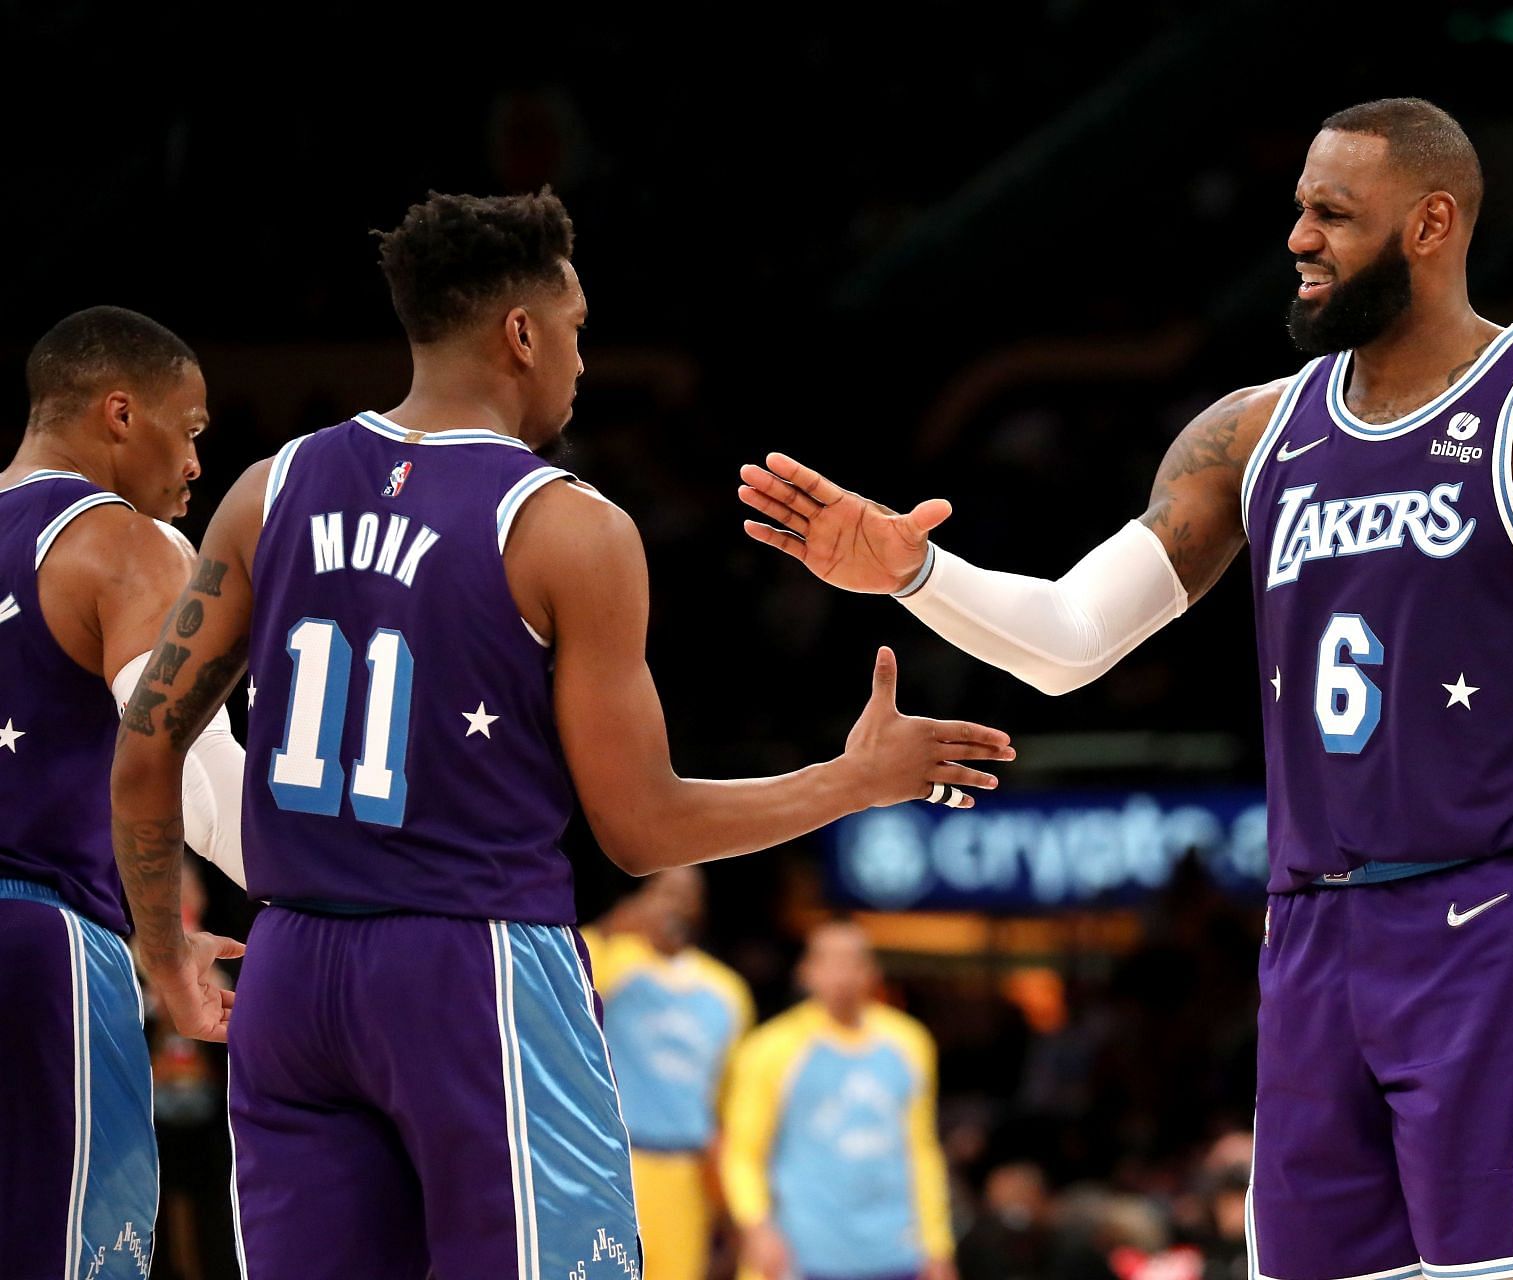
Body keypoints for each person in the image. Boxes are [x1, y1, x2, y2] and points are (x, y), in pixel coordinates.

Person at [738, 97, 1513, 1279]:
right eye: (1298, 206)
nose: (1297, 235)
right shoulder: (1253, 432)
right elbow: (1071, 635)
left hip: (1494, 919)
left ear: (1432, 223)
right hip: (1309, 927)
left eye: (1333, 213)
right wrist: (915, 572)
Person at [109, 188, 1015, 1279]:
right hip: (472, 967)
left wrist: (162, 953)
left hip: (294, 970)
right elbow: (641, 827)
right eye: (577, 329)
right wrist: (850, 778)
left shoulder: (268, 488)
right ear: (522, 333)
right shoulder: (566, 525)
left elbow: (148, 746)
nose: (584, 362)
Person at [0, 306, 245, 1277]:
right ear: (119, 412)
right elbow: (187, 778)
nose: (193, 464)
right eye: (188, 430)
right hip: (41, 943)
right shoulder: (130, 544)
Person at [722, 922, 955, 1280]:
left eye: (853, 963)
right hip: (802, 1253)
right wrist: (757, 1226)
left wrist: (937, 1247)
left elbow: (920, 1150)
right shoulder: (769, 1049)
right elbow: (742, 1151)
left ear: (872, 973)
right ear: (806, 972)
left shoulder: (910, 1043)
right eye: (829, 962)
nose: (842, 975)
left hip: (894, 1252)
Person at [585, 867, 755, 1280]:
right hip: (614, 1164)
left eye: (686, 894)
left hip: (686, 1174)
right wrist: (615, 926)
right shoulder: (615, 960)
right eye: (663, 890)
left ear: (701, 908)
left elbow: (729, 1105)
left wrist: (727, 1208)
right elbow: (567, 976)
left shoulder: (728, 992)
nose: (673, 903)